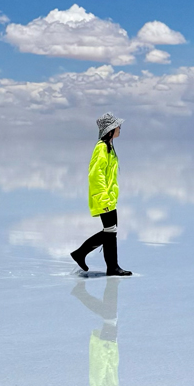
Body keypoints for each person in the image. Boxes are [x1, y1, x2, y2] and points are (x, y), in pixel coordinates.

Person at [70, 112, 132, 276]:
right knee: (110, 231)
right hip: (103, 197)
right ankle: (84, 254)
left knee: (111, 231)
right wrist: (103, 198)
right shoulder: (102, 148)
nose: (120, 128)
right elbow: (95, 175)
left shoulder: (109, 147)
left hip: (109, 197)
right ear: (110, 130)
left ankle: (110, 266)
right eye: (117, 126)